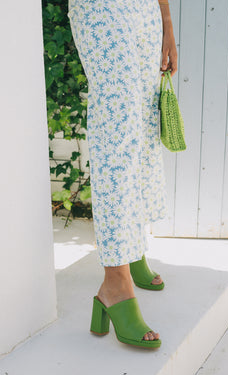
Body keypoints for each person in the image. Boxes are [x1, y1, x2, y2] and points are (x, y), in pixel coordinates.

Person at [67, 0, 177, 349]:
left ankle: (133, 247)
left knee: (143, 127)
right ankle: (115, 282)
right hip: (100, 8)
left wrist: (166, 20)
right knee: (117, 133)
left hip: (144, 9)